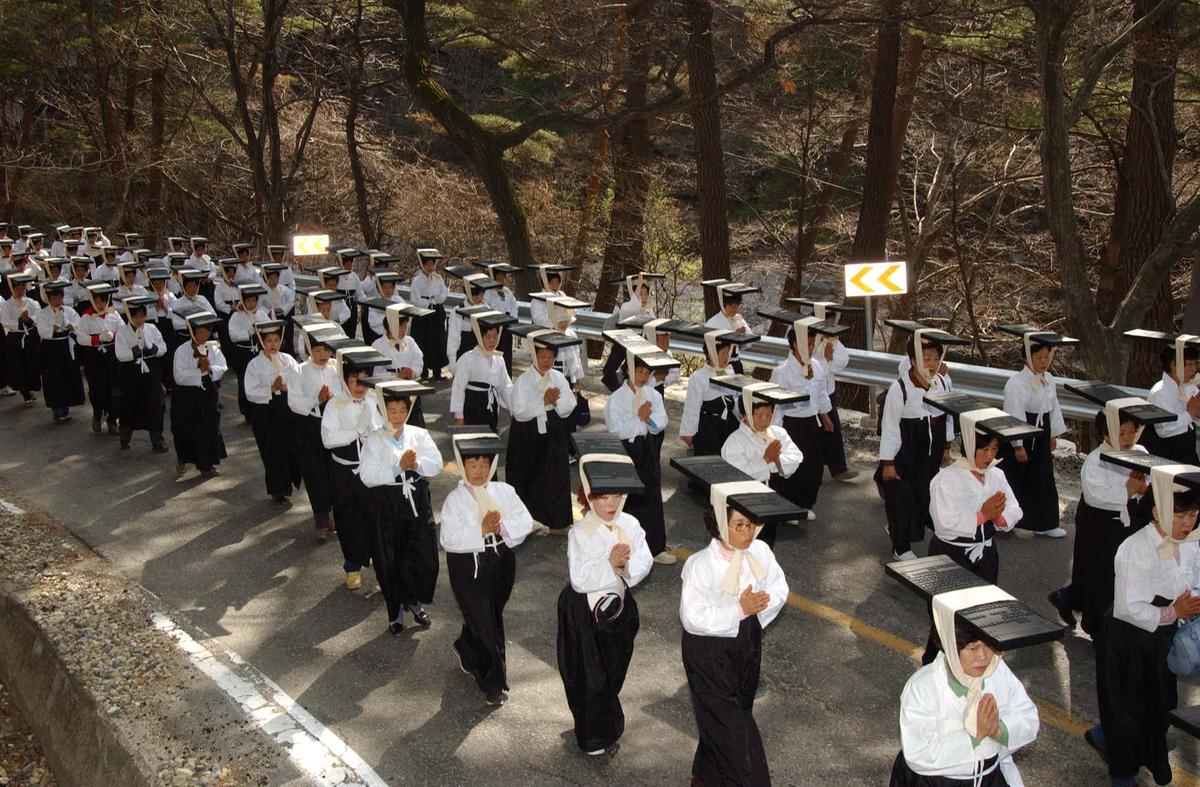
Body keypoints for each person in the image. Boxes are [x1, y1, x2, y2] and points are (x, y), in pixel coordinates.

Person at [680, 480, 789, 787]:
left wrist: (757, 610)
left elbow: (779, 587)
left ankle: (707, 774)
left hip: (746, 643)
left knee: (736, 711)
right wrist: (738, 611)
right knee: (735, 729)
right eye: (739, 524)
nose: (748, 531)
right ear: (718, 523)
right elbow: (692, 618)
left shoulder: (761, 552)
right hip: (707, 652)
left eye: (752, 523)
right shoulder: (700, 565)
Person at [1098, 467, 1200, 787]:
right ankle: (1123, 772)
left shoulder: (1193, 542)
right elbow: (1130, 608)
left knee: (1160, 701)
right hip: (1129, 637)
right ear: (1157, 511)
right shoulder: (1136, 548)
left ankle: (1137, 749)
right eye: (1181, 515)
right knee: (1127, 705)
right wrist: (1174, 611)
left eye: (1194, 514)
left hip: (1163, 635)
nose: (1188, 523)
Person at [891, 589, 1040, 786]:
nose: (984, 657)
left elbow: (1027, 715)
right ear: (951, 647)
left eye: (989, 645)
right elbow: (919, 752)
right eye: (973, 648)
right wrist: (975, 735)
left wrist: (999, 730)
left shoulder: (997, 672)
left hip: (988, 777)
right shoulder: (922, 687)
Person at [557, 454, 652, 756]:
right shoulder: (581, 533)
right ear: (588, 496)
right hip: (585, 613)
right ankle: (592, 735)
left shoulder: (630, 524)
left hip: (617, 610)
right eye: (602, 497)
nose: (610, 504)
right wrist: (609, 563)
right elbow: (580, 579)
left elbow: (644, 560)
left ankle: (603, 719)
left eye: (617, 496)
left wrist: (626, 568)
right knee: (589, 675)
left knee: (613, 670)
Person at [442, 431, 535, 706]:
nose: (479, 471)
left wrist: (501, 527)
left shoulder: (504, 492)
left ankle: (466, 647)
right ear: (462, 466)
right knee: (486, 622)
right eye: (472, 465)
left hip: (501, 560)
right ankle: (493, 682)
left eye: (484, 465)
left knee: (490, 614)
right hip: (467, 565)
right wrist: (480, 530)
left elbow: (525, 521)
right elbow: (448, 538)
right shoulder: (455, 500)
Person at [1048, 394, 1154, 634]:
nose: (1127, 438)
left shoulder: (1140, 452)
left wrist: (1144, 490)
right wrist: (1127, 490)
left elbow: (1147, 481)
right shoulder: (1095, 460)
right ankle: (1097, 627)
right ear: (1105, 434)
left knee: (1124, 571)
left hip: (1130, 519)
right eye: (1121, 432)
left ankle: (1080, 604)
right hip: (1099, 522)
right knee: (1099, 573)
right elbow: (1097, 496)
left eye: (1131, 432)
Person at [358, 379, 443, 634]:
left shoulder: (419, 434)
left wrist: (416, 465)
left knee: (422, 554)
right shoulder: (374, 439)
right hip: (388, 503)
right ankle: (395, 609)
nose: (397, 416)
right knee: (390, 558)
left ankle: (414, 600)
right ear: (383, 411)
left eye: (402, 411)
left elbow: (436, 464)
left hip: (417, 501)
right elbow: (367, 476)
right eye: (392, 411)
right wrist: (397, 468)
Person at [877, 324, 959, 561]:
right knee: (902, 496)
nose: (931, 364)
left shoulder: (941, 383)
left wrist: (946, 446)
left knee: (924, 494)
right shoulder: (900, 389)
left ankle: (902, 529)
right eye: (926, 358)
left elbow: (947, 415)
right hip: (906, 450)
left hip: (930, 450)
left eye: (935, 358)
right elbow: (891, 427)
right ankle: (900, 546)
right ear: (912, 360)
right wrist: (888, 462)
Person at [927, 408, 1025, 585]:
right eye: (984, 449)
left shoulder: (996, 475)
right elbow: (943, 523)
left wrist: (999, 518)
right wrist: (983, 516)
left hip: (986, 553)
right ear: (970, 446)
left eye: (994, 449)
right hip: (951, 555)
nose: (990, 456)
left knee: (983, 608)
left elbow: (1015, 509)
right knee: (951, 608)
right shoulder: (946, 478)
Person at [321, 345, 389, 590]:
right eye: (354, 380)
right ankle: (352, 567)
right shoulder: (335, 405)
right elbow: (328, 439)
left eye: (365, 381)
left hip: (370, 470)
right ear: (345, 379)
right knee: (349, 520)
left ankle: (382, 568)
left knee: (376, 519)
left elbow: (383, 431)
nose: (360, 386)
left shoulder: (372, 401)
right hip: (344, 472)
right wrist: (355, 431)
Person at [998, 327, 1076, 538]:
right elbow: (1014, 414)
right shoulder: (1016, 383)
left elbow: (1054, 406)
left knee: (1042, 477)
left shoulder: (1048, 378)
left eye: (1047, 357)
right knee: (1019, 478)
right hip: (1022, 432)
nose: (1044, 361)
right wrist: (1018, 445)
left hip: (1041, 432)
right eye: (1039, 357)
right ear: (1027, 356)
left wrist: (1052, 434)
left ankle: (1046, 522)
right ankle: (1016, 520)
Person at [605, 341, 675, 563]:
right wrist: (639, 419)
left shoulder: (653, 395)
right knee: (629, 499)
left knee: (652, 494)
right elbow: (615, 429)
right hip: (627, 451)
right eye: (639, 371)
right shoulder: (616, 398)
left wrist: (648, 420)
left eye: (647, 372)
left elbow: (662, 421)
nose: (643, 376)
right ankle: (628, 546)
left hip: (648, 448)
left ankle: (655, 547)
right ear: (628, 370)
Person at [766, 315, 838, 518]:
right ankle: (788, 507)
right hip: (791, 424)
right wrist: (774, 433)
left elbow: (821, 392)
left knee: (813, 466)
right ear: (794, 344)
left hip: (810, 422)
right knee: (791, 465)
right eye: (806, 343)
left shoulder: (816, 365)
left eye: (812, 342)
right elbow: (777, 406)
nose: (811, 346)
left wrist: (825, 415)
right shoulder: (781, 372)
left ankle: (805, 505)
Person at [507, 328, 578, 530]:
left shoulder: (557, 377)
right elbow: (519, 411)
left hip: (553, 431)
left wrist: (554, 404)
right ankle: (528, 520)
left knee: (555, 474)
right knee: (529, 474)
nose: (545, 361)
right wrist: (543, 401)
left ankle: (556, 521)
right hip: (527, 434)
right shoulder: (524, 380)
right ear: (534, 356)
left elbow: (570, 403)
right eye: (541, 356)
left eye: (549, 356)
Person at [720, 383, 803, 546]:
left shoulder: (777, 433)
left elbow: (796, 457)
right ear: (746, 415)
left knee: (765, 544)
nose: (765, 420)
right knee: (742, 546)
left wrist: (776, 460)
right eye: (759, 415)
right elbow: (737, 476)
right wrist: (766, 460)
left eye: (769, 414)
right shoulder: (735, 441)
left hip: (770, 500)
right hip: (743, 504)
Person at [287, 323, 345, 541]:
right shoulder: (299, 371)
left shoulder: (336, 369)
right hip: (310, 428)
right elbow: (293, 401)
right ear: (309, 349)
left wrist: (334, 401)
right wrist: (316, 400)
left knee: (334, 472)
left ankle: (334, 513)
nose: (323, 355)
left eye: (326, 350)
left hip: (334, 425)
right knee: (315, 473)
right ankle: (320, 517)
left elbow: (345, 393)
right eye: (318, 350)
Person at [244, 321, 302, 503]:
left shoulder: (288, 360)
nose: (273, 344)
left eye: (276, 340)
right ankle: (278, 489)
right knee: (272, 451)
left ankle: (292, 478)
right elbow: (250, 392)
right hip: (266, 412)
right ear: (262, 342)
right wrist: (270, 388)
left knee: (291, 446)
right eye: (269, 341)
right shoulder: (254, 364)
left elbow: (299, 381)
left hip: (286, 407)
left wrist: (288, 388)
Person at [171, 308, 228, 477]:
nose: (203, 336)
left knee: (209, 428)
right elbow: (179, 376)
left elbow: (222, 366)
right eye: (199, 332)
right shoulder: (182, 350)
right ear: (192, 332)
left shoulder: (213, 349)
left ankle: (207, 464)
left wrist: (209, 368)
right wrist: (198, 370)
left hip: (208, 393)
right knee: (186, 430)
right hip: (186, 395)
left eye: (206, 332)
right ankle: (182, 457)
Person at [113, 296, 168, 452]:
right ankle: (125, 436)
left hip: (151, 373)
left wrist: (150, 347)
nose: (139, 319)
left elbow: (163, 347)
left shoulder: (151, 329)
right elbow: (120, 354)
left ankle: (157, 440)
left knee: (157, 406)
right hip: (131, 375)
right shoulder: (122, 332)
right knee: (129, 407)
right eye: (135, 316)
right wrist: (135, 352)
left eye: (142, 316)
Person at [679, 328, 745, 455]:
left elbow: (735, 400)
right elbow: (692, 407)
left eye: (728, 352)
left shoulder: (730, 372)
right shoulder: (698, 377)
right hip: (708, 429)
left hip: (730, 427)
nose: (727, 357)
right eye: (723, 353)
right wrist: (688, 432)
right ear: (711, 353)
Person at [449, 310, 514, 431]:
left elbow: (505, 387)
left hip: (491, 405)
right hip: (473, 404)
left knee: (490, 437)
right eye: (488, 337)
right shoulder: (467, 358)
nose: (492, 341)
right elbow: (458, 387)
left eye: (495, 337)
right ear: (479, 336)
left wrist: (513, 410)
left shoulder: (499, 359)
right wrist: (459, 415)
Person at [1141, 335, 1200, 464]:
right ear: (1174, 365)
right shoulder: (1159, 393)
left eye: (1195, 364)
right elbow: (1165, 430)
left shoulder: (1188, 387)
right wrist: (1189, 413)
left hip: (1187, 455)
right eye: (1189, 364)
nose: (1194, 369)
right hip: (1165, 459)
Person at [33, 281, 85, 423]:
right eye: (53, 299)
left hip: (65, 345)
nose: (57, 301)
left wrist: (71, 326)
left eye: (59, 298)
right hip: (51, 349)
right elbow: (42, 331)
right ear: (49, 299)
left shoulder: (69, 311)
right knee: (54, 380)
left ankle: (66, 408)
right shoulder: (43, 313)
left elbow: (79, 323)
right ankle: (57, 410)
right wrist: (54, 328)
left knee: (67, 377)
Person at [77, 283, 124, 433]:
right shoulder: (86, 317)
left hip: (112, 356)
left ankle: (112, 419)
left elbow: (123, 329)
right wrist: (97, 339)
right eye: (97, 301)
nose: (101, 304)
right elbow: (80, 337)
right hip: (94, 357)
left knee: (115, 388)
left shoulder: (113, 314)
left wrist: (114, 335)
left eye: (104, 301)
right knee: (97, 389)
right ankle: (97, 415)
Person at [371, 302, 428, 425]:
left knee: (415, 425)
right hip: (389, 394)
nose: (403, 330)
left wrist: (412, 372)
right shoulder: (378, 345)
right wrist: (396, 376)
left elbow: (419, 360)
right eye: (400, 326)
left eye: (405, 326)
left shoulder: (410, 341)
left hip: (411, 391)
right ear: (390, 326)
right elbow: (376, 373)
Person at [227, 284, 271, 421]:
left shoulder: (261, 314)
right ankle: (247, 411)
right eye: (248, 301)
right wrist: (250, 332)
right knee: (244, 380)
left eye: (254, 301)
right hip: (243, 352)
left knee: (261, 378)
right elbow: (233, 335)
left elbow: (270, 327)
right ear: (243, 301)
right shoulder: (236, 316)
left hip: (259, 350)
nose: (251, 304)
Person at [409, 247, 449, 382]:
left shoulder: (438, 278)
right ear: (422, 264)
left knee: (438, 340)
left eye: (432, 264)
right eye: (427, 264)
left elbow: (444, 292)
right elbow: (414, 298)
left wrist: (437, 300)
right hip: (423, 314)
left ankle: (437, 371)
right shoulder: (417, 280)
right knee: (423, 341)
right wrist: (427, 303)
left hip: (436, 311)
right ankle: (424, 370)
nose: (430, 267)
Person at [702, 279, 759, 374]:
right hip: (719, 366)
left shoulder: (738, 319)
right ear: (723, 304)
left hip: (736, 365)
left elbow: (749, 342)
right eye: (731, 306)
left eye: (737, 306)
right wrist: (734, 336)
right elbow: (711, 348)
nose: (735, 309)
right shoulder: (713, 322)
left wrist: (743, 337)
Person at [0, 273, 41, 405]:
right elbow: (5, 321)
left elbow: (38, 317)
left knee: (30, 363)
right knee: (19, 365)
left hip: (29, 336)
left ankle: (30, 388)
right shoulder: (6, 305)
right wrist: (19, 320)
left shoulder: (31, 302)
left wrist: (28, 319)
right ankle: (25, 393)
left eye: (22, 288)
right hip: (15, 338)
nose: (20, 291)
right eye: (17, 289)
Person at [445, 272, 497, 363]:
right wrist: (452, 362)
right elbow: (453, 338)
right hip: (463, 356)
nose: (480, 298)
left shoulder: (487, 309)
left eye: (482, 294)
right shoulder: (458, 311)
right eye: (476, 295)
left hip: (482, 357)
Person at [479, 261, 520, 374]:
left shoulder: (507, 292)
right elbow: (486, 307)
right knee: (495, 354)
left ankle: (507, 377)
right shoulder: (487, 292)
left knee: (507, 355)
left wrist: (511, 319)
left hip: (507, 327)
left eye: (503, 276)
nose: (502, 279)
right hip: (494, 327)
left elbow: (514, 306)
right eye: (499, 276)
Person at [361, 272, 404, 346]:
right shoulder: (373, 304)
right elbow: (375, 325)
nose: (388, 290)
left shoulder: (399, 301)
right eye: (385, 287)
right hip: (378, 340)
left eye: (390, 287)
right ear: (379, 288)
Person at [333, 247, 364, 337]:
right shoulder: (336, 275)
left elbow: (359, 293)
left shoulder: (354, 276)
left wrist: (366, 302)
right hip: (340, 306)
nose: (349, 267)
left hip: (352, 307)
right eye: (347, 264)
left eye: (350, 264)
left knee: (351, 334)